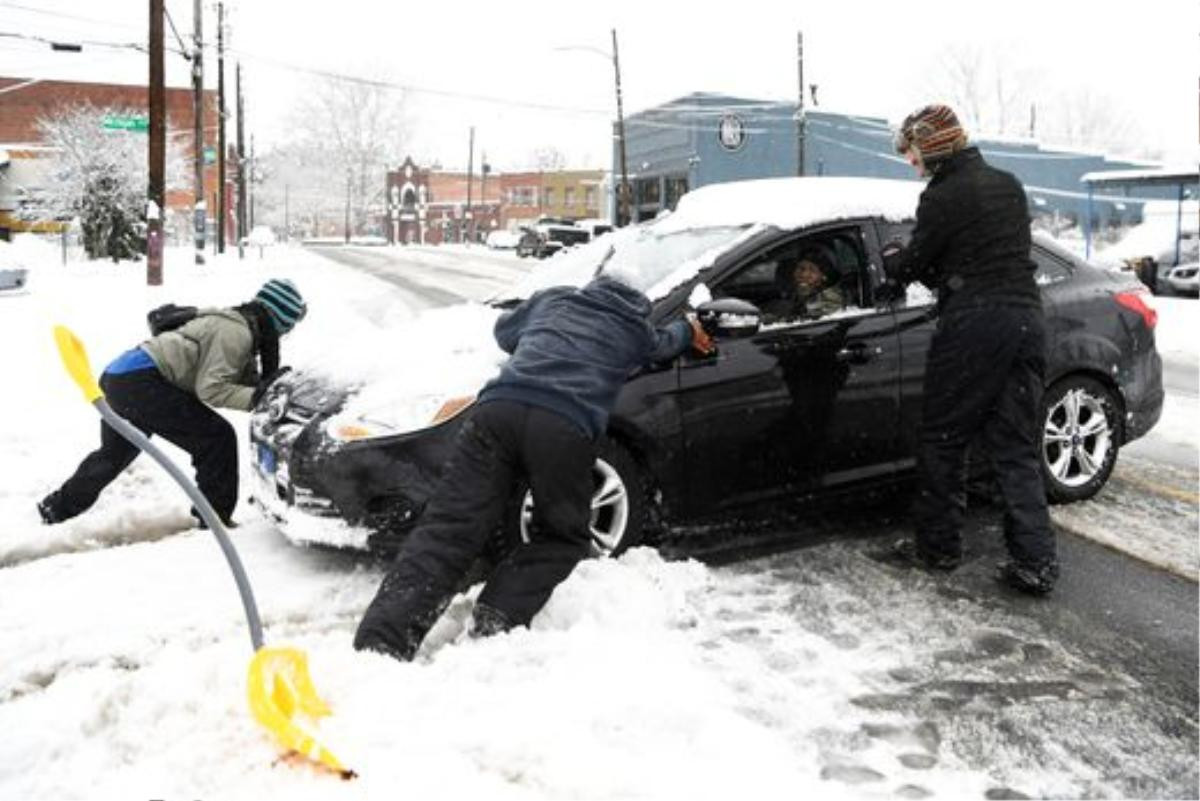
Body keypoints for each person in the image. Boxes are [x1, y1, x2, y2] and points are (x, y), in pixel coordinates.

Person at [354, 272, 714, 661]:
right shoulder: (634, 328)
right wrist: (689, 328)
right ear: (637, 301)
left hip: (497, 412)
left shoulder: (556, 298)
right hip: (563, 427)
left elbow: (504, 333)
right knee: (562, 535)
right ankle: (499, 613)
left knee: (449, 528)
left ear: (594, 285)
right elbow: (668, 344)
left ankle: (380, 643)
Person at [881, 104, 1059, 596]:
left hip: (974, 326)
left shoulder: (941, 197)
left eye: (912, 152)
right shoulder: (1008, 184)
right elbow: (988, 253)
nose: (910, 162)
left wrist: (897, 258)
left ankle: (937, 547)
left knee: (943, 437)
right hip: (1026, 321)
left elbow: (917, 264)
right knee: (1015, 448)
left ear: (931, 146)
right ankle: (1036, 561)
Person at [38, 278, 306, 528]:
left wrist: (271, 390)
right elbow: (211, 389)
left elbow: (241, 379)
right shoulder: (237, 333)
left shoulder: (235, 324)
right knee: (217, 438)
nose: (286, 333)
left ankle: (55, 509)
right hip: (142, 381)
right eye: (289, 326)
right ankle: (214, 521)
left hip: (121, 376)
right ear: (279, 318)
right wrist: (257, 398)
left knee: (113, 455)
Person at [767, 246, 845, 321]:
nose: (804, 275)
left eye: (812, 270)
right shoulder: (792, 294)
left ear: (823, 276)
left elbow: (804, 320)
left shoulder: (831, 298)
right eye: (801, 268)